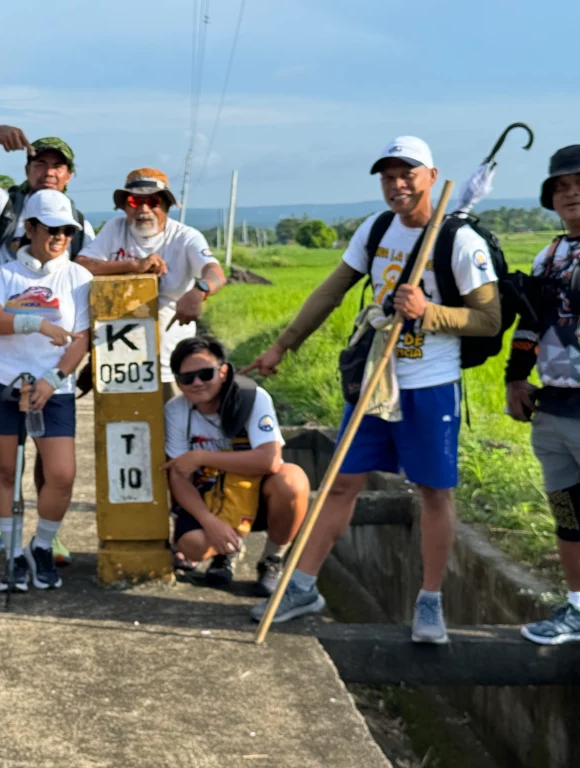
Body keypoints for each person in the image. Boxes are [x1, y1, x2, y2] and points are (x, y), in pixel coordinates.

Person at [245, 137, 501, 644]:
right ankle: (302, 586)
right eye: (388, 176)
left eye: (407, 174)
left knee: (433, 493)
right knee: (341, 483)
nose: (397, 184)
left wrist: (428, 312)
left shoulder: (460, 241)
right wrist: (282, 346)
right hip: (374, 383)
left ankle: (430, 603)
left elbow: (489, 319)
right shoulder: (377, 228)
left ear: (431, 177)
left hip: (430, 385)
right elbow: (331, 289)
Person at [0, 126, 95, 564]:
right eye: (41, 162)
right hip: (2, 349)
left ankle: (46, 535)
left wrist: (61, 372)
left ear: (69, 175)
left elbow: (87, 273)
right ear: (27, 167)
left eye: (58, 166)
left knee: (52, 460)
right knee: (3, 460)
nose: (49, 171)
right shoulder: (5, 206)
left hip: (53, 365)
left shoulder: (81, 229)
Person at [0, 189, 93, 592]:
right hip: (1, 380)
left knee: (61, 474)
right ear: (30, 228)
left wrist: (52, 380)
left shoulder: (79, 277)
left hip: (53, 387)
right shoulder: (5, 273)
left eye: (67, 230)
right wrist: (37, 324)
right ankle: (11, 555)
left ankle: (40, 546)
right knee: (7, 471)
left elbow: (81, 338)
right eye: (51, 228)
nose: (59, 237)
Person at [162, 336, 309, 595]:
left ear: (223, 372)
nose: (197, 383)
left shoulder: (252, 398)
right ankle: (226, 551)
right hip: (210, 496)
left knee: (292, 482)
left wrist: (201, 457)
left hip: (256, 492)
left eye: (205, 374)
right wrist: (209, 521)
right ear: (178, 382)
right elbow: (178, 476)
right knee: (192, 545)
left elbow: (269, 460)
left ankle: (272, 559)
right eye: (187, 378)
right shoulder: (175, 410)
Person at [507, 145, 580, 645]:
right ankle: (577, 607)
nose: (571, 194)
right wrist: (515, 377)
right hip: (552, 407)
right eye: (562, 187)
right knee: (568, 515)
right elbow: (531, 324)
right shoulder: (548, 257)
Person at [75, 167, 226, 402]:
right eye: (135, 201)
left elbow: (215, 272)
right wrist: (134, 265)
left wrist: (199, 291)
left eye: (153, 202)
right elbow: (81, 266)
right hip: (118, 361)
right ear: (125, 206)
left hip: (167, 360)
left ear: (165, 206)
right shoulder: (115, 229)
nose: (143, 210)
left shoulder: (185, 237)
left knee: (171, 419)